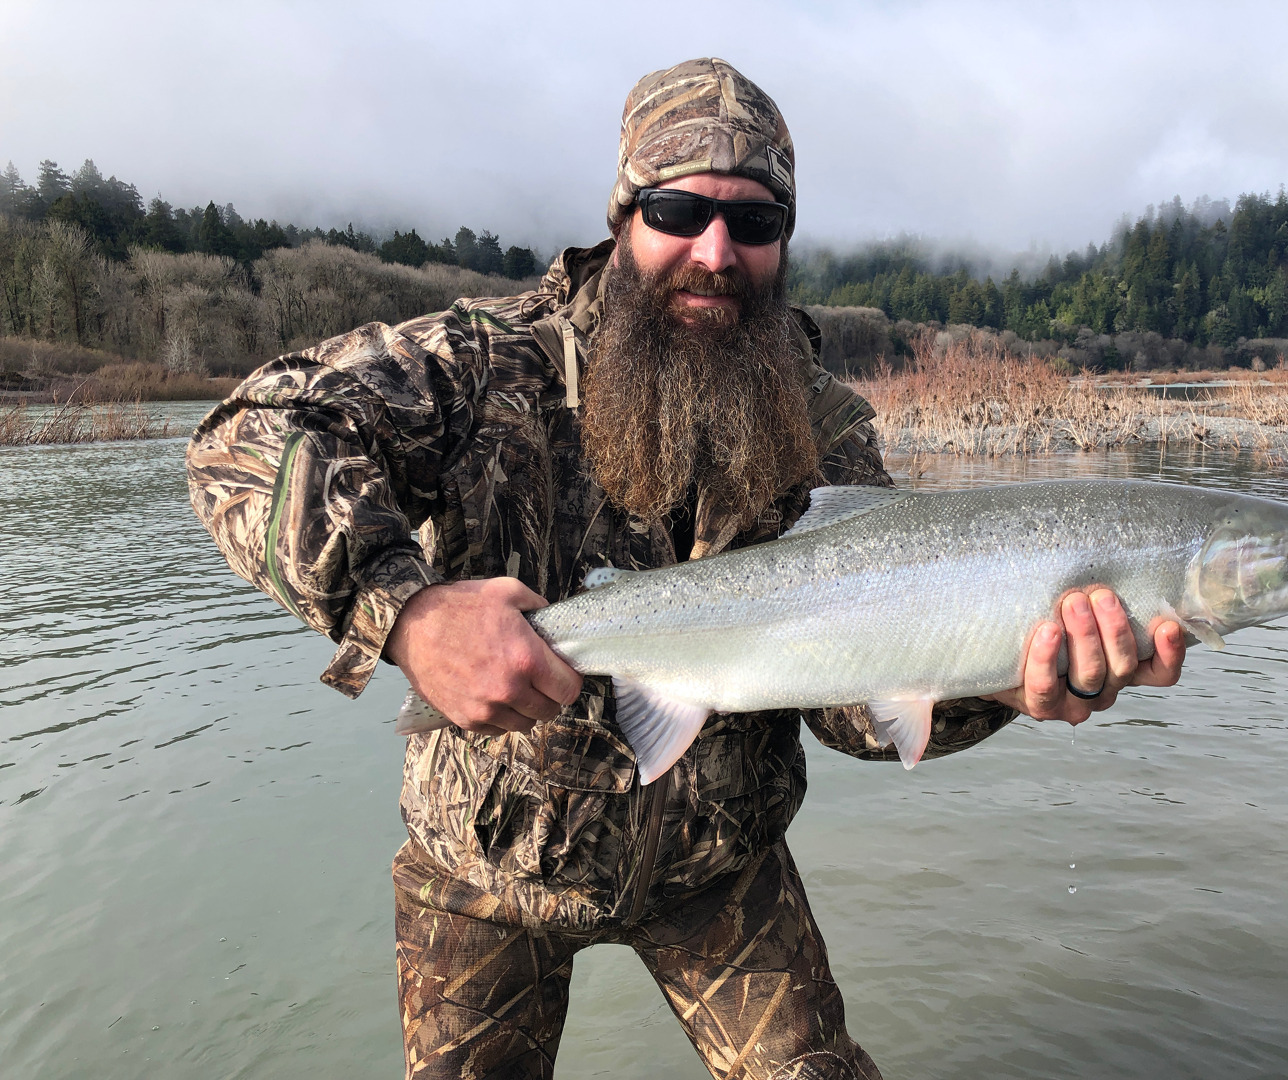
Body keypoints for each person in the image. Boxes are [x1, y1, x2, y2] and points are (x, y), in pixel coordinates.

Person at [187, 57, 1185, 1080]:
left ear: (783, 242)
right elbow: (243, 437)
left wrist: (1010, 679)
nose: (716, 251)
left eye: (754, 224)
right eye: (678, 210)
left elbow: (854, 710)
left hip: (722, 868)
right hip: (480, 867)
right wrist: (407, 612)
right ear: (623, 216)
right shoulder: (483, 363)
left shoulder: (824, 426)